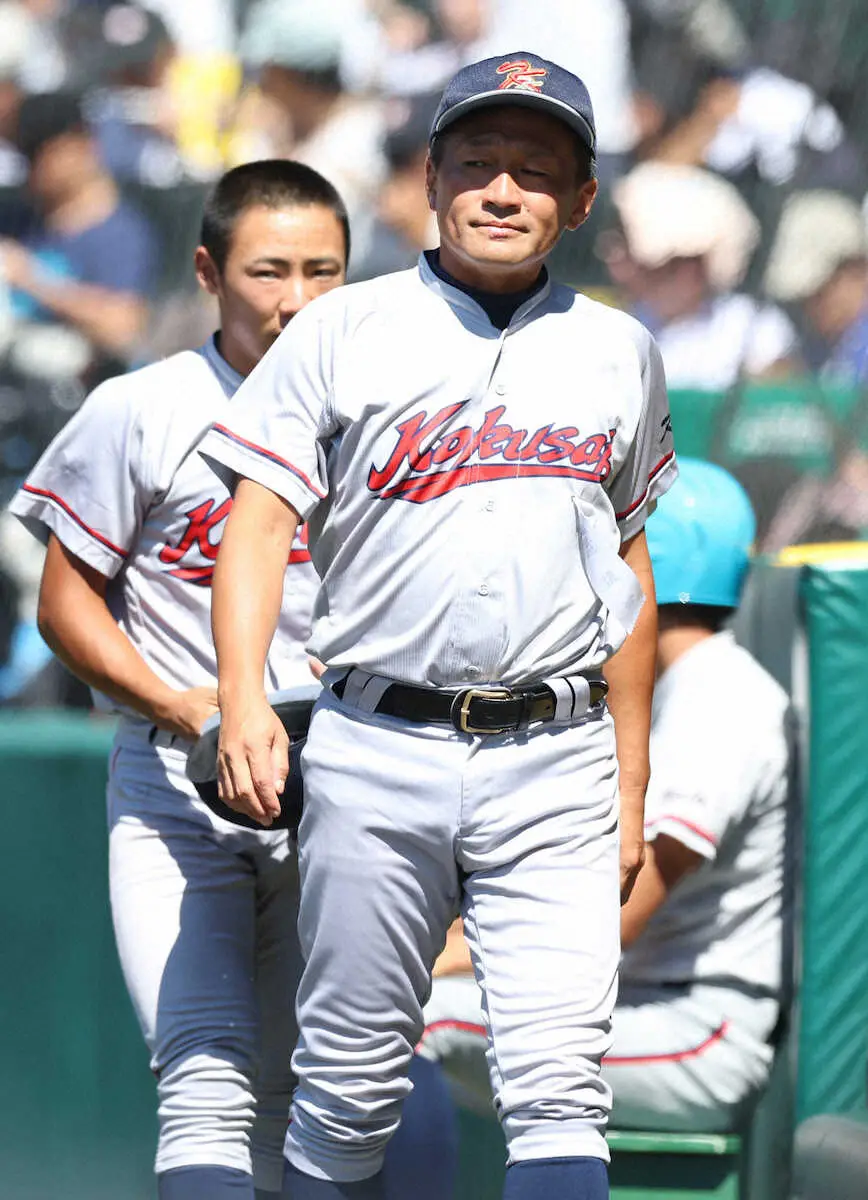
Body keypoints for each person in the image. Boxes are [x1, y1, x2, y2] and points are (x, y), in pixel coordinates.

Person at [204, 51, 677, 1200]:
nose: (503, 190)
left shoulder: (620, 349)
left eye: (534, 169)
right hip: (377, 740)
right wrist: (244, 700)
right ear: (429, 178)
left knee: (563, 1085)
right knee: (351, 1088)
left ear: (581, 200)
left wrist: (628, 779)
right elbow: (257, 525)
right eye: (477, 164)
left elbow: (627, 568)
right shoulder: (341, 329)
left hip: (555, 751)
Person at [7, 160, 348, 1200]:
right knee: (204, 1075)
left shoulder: (387, 417)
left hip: (342, 784)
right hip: (178, 781)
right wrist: (186, 704)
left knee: (313, 1096)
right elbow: (65, 603)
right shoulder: (143, 406)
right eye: (268, 270)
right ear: (208, 270)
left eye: (323, 270)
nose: (296, 298)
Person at [416, 459, 792, 1139]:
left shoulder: (721, 696)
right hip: (641, 1001)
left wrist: (443, 953)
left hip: (696, 1025)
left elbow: (618, 913)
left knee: (422, 1019)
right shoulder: (673, 683)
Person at [602, 161, 800, 390]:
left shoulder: (752, 327)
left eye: (664, 267)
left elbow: (780, 405)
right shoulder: (626, 331)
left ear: (697, 267)